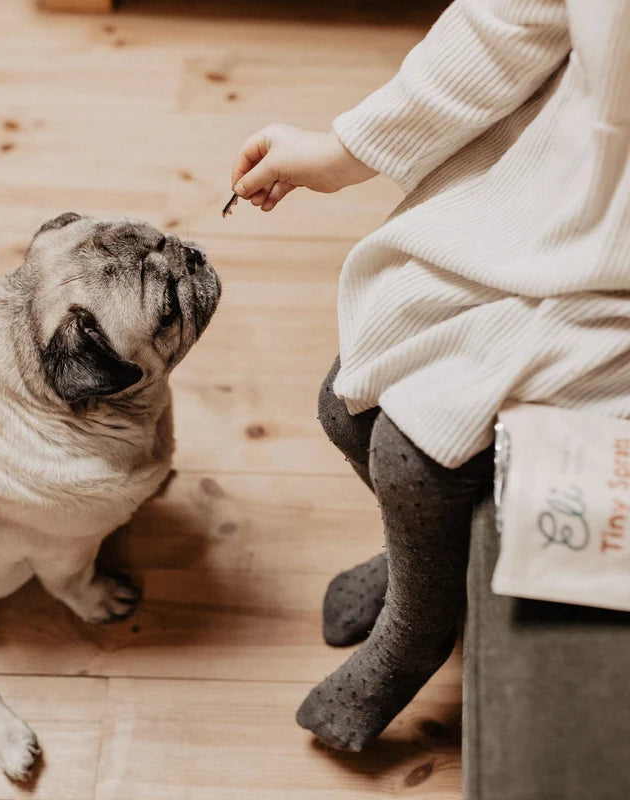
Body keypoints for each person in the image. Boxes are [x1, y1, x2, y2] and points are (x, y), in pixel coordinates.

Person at [230, 0, 630, 751]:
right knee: (346, 401)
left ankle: (418, 630)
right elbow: (506, 20)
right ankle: (419, 560)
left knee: (414, 455)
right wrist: (339, 152)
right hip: (566, 182)